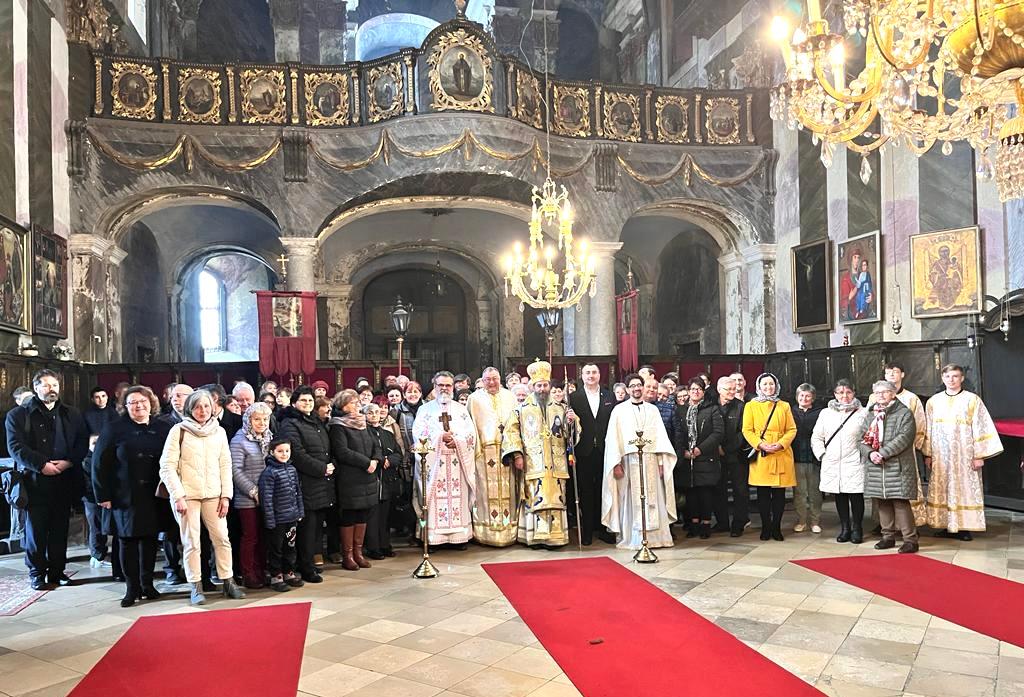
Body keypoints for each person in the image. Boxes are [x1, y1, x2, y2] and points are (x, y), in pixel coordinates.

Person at [158, 389, 245, 605]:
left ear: (213, 407)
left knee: (222, 539)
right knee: (191, 542)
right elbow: (167, 466)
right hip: (187, 496)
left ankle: (228, 580)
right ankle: (195, 586)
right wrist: (177, 495)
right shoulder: (178, 431)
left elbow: (226, 464)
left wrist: (226, 496)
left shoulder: (219, 432)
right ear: (190, 409)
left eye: (206, 406)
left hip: (214, 494)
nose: (203, 411)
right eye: (197, 406)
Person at [5, 369, 88, 590]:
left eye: (55, 385)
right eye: (46, 385)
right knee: (36, 530)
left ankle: (57, 572)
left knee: (60, 529)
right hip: (35, 481)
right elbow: (16, 448)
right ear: (36, 388)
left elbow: (81, 442)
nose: (52, 389)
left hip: (64, 478)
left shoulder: (72, 413)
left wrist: (68, 462)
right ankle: (37, 573)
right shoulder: (18, 415)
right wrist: (42, 465)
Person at [93, 386, 172, 607]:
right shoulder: (114, 428)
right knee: (127, 540)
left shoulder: (163, 427)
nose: (139, 405)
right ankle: (131, 588)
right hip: (124, 494)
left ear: (151, 403)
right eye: (133, 402)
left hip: (154, 493)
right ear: (125, 406)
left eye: (143, 401)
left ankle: (147, 584)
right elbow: (99, 464)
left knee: (149, 540)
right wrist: (103, 495)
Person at [500, 361, 576, 548]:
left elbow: (569, 435)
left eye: (545, 385)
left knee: (557, 499)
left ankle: (556, 537)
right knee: (535, 498)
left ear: (549, 386)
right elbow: (511, 432)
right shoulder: (521, 409)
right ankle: (535, 538)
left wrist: (572, 422)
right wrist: (517, 455)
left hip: (556, 462)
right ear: (532, 387)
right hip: (533, 462)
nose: (542, 389)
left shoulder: (561, 408)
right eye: (538, 385)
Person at [923, 364, 1003, 541]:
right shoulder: (933, 402)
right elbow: (928, 429)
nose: (951, 380)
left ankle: (964, 527)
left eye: (955, 376)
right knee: (942, 487)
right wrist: (928, 454)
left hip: (964, 455)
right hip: (940, 455)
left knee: (964, 488)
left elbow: (981, 427)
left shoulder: (972, 400)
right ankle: (944, 524)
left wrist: (979, 455)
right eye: (948, 376)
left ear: (961, 379)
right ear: (943, 378)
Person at [602, 373, 677, 550]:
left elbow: (660, 438)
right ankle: (634, 539)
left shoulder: (653, 410)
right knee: (631, 500)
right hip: (629, 462)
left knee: (654, 499)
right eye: (632, 386)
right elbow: (613, 440)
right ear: (627, 389)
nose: (636, 388)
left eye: (639, 385)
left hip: (651, 460)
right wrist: (617, 463)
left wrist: (660, 463)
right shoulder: (619, 411)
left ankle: (657, 538)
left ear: (643, 388)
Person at [411, 371, 476, 547]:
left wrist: (457, 440)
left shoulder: (461, 410)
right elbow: (419, 434)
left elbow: (470, 435)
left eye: (448, 385)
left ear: (453, 387)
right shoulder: (425, 410)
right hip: (435, 465)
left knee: (457, 497)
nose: (445, 388)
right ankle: (431, 539)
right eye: (441, 385)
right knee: (432, 499)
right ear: (435, 387)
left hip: (457, 461)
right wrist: (440, 436)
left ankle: (458, 537)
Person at [278, 386, 336, 582]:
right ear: (294, 403)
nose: (307, 404)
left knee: (317, 527)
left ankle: (310, 562)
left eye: (310, 401)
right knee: (306, 529)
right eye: (303, 401)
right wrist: (322, 468)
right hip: (305, 481)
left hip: (322, 482)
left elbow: (327, 449)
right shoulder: (290, 423)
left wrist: (329, 465)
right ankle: (305, 567)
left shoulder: (316, 421)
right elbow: (297, 454)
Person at [859, 381, 920, 553]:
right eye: (877, 393)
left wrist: (883, 453)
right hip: (876, 465)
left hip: (897, 464)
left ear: (893, 394)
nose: (881, 396)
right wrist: (871, 453)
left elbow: (904, 438)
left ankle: (910, 540)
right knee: (882, 501)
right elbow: (861, 439)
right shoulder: (871, 414)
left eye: (885, 392)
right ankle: (887, 537)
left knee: (900, 502)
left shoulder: (904, 413)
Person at [466, 367, 520, 547]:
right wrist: (476, 451)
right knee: (485, 492)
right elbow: (471, 426)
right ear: (482, 380)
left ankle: (508, 531)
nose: (491, 382)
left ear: (500, 379)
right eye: (488, 379)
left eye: (495, 378)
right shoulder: (474, 399)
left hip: (506, 450)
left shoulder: (510, 396)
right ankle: (485, 532)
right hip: (484, 451)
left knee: (508, 490)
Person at [328, 391, 382, 570]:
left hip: (368, 475)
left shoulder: (362, 422)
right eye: (352, 402)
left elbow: (375, 444)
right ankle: (348, 555)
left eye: (357, 402)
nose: (357, 405)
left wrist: (375, 459)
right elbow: (342, 451)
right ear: (343, 406)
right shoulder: (337, 425)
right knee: (349, 516)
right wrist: (366, 462)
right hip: (350, 477)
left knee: (363, 514)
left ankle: (359, 553)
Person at [742, 373, 797, 541]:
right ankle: (766, 527)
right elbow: (747, 430)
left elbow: (792, 429)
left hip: (781, 452)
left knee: (779, 494)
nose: (768, 387)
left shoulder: (784, 406)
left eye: (771, 384)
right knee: (763, 493)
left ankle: (776, 527)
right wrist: (760, 444)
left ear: (776, 385)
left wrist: (781, 444)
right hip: (762, 454)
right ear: (759, 386)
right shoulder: (751, 406)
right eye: (764, 384)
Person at [812, 379, 867, 543]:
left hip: (855, 460)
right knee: (839, 495)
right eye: (840, 392)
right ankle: (845, 528)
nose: (844, 395)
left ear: (854, 393)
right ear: (835, 394)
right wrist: (822, 454)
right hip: (832, 460)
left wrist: (864, 454)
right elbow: (817, 437)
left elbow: (869, 437)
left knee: (856, 495)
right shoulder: (825, 413)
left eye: (848, 392)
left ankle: (857, 528)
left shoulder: (863, 413)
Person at [568, 363, 616, 546]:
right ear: (582, 375)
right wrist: (569, 420)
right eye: (587, 372)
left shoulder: (609, 395)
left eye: (594, 372)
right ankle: (587, 531)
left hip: (605, 449)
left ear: (599, 374)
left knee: (604, 490)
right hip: (584, 450)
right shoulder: (574, 397)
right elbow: (569, 427)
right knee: (586, 491)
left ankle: (602, 528)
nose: (591, 375)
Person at [673, 378, 724, 539]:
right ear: (688, 391)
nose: (695, 391)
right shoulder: (680, 410)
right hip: (687, 458)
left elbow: (718, 433)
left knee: (705, 492)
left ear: (703, 392)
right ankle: (693, 524)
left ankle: (705, 524)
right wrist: (683, 451)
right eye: (693, 388)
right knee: (691, 493)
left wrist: (700, 449)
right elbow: (677, 433)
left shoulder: (712, 409)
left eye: (699, 389)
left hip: (706, 456)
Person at [230, 402, 274, 588]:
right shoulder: (239, 440)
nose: (262, 423)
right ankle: (248, 573)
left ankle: (262, 570)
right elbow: (235, 470)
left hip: (267, 495)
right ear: (249, 420)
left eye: (265, 419)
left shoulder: (270, 437)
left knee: (264, 535)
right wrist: (253, 491)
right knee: (251, 536)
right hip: (247, 498)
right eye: (257, 419)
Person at [258, 438, 305, 591]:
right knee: (276, 549)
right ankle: (276, 576)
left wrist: (299, 511)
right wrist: (270, 520)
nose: (284, 454)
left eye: (287, 451)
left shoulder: (292, 469)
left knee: (290, 547)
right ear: (272, 452)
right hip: (277, 520)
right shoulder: (269, 473)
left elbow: (298, 493)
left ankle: (288, 572)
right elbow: (267, 499)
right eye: (280, 451)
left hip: (291, 517)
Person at [365, 402, 403, 558]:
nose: (374, 415)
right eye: (370, 413)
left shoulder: (387, 434)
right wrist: (381, 460)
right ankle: (373, 547)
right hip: (372, 479)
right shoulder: (364, 433)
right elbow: (370, 452)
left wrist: (390, 460)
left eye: (376, 412)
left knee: (385, 516)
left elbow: (398, 453)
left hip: (387, 479)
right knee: (372, 517)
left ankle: (385, 544)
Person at [713, 376, 749, 537]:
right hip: (715, 455)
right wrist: (717, 447)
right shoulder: (711, 405)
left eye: (734, 389)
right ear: (719, 390)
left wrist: (726, 449)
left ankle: (738, 523)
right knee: (718, 490)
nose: (732, 392)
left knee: (740, 491)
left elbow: (744, 432)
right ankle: (722, 523)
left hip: (736, 455)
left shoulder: (742, 407)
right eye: (728, 389)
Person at [791, 384, 823, 534]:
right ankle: (802, 520)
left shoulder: (820, 413)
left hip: (814, 458)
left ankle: (815, 521)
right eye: (801, 395)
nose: (804, 398)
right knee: (799, 492)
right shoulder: (790, 411)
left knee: (815, 492)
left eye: (807, 396)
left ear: (813, 398)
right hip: (796, 457)